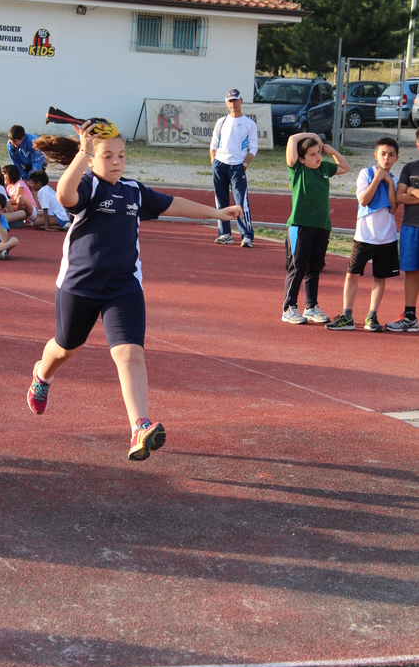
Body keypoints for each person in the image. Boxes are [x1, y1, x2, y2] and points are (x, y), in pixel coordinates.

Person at [26, 123, 242, 461]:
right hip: (80, 286)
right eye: (107, 155)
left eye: (121, 155)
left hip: (123, 287)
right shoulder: (88, 185)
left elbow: (173, 204)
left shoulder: (133, 191)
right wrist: (82, 152)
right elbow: (65, 196)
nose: (116, 162)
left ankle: (139, 427)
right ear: (92, 159)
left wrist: (218, 213)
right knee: (66, 347)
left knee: (129, 354)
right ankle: (42, 376)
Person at [326, 138, 399, 332]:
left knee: (379, 277)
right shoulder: (365, 174)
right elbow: (364, 200)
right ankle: (347, 316)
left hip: (387, 238)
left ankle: (372, 316)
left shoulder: (395, 179)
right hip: (365, 237)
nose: (387, 158)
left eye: (391, 155)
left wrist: (390, 182)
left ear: (396, 158)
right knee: (352, 275)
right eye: (383, 154)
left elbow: (393, 208)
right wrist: (378, 178)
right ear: (376, 155)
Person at [282, 132, 350, 324]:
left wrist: (332, 151)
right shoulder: (297, 170)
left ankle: (311, 307)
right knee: (298, 267)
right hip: (301, 225)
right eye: (312, 154)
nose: (317, 157)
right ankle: (289, 308)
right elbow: (291, 140)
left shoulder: (324, 169)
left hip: (322, 226)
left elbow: (345, 167)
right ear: (301, 159)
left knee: (315, 268)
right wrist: (312, 135)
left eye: (318, 152)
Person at [210, 88, 258, 247]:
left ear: (241, 101)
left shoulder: (249, 124)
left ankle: (247, 236)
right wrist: (214, 161)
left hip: (237, 167)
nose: (233, 104)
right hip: (219, 165)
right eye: (230, 101)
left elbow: (254, 148)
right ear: (226, 103)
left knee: (241, 201)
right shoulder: (221, 122)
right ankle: (225, 234)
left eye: (236, 100)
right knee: (221, 202)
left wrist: (244, 164)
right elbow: (214, 144)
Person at [385, 128, 419, 331]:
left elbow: (405, 195)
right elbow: (399, 197)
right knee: (411, 272)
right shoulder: (409, 168)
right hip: (411, 228)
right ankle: (410, 316)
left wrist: (411, 192)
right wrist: (414, 190)